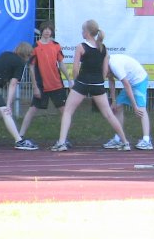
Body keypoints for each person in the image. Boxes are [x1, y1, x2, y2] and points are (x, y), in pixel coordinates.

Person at [51, 19, 130, 151]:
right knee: (109, 114)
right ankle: (125, 142)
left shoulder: (81, 47)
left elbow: (75, 68)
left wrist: (75, 82)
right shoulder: (103, 48)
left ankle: (61, 142)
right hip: (97, 84)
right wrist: (99, 81)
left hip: (82, 83)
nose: (82, 32)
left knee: (68, 111)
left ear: (87, 32)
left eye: (83, 30)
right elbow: (105, 70)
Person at [18, 21, 72, 142]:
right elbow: (31, 68)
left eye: (49, 29)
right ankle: (20, 136)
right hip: (41, 85)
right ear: (41, 31)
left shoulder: (56, 45)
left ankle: (64, 139)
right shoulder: (35, 47)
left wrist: (69, 80)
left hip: (57, 84)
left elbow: (61, 64)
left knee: (64, 111)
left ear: (52, 31)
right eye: (45, 29)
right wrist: (35, 87)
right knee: (32, 110)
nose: (47, 31)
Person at [102, 53, 153, 150]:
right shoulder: (105, 65)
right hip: (130, 82)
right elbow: (111, 81)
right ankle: (118, 139)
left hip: (139, 80)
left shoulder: (115, 66)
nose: (106, 75)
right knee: (118, 106)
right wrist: (113, 101)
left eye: (106, 73)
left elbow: (127, 86)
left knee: (141, 109)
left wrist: (135, 106)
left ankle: (147, 141)